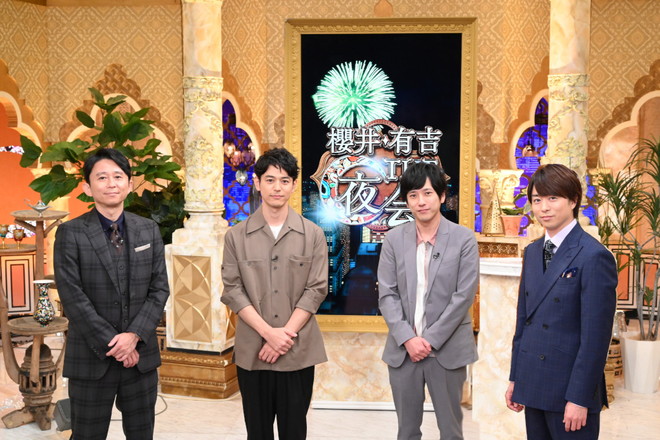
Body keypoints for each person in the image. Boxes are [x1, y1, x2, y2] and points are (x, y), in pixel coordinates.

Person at [54, 148, 170, 439]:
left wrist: (133, 337)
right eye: (102, 177)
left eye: (118, 177)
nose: (111, 184)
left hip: (140, 357)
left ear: (129, 184)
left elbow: (159, 289)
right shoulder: (70, 233)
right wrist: (116, 344)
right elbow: (72, 296)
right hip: (91, 358)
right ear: (87, 187)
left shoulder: (148, 230)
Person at [221, 147, 328, 440]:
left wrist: (283, 337)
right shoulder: (235, 236)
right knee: (257, 432)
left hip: (298, 351)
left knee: (294, 432)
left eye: (284, 180)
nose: (277, 187)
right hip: (253, 351)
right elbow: (233, 290)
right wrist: (269, 334)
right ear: (257, 183)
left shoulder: (313, 235)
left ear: (293, 185)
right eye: (269, 180)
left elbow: (316, 289)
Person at [506, 164, 617, 439]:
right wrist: (516, 378)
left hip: (570, 392)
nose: (544, 207)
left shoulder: (594, 255)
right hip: (533, 384)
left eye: (553, 198)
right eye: (537, 200)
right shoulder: (532, 252)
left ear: (573, 200)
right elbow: (523, 322)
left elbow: (596, 338)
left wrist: (579, 398)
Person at [378, 161, 479, 440]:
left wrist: (430, 340)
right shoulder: (393, 239)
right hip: (404, 352)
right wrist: (409, 339)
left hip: (448, 351)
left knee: (451, 431)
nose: (421, 201)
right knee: (407, 431)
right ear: (406, 200)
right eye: (413, 195)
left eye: (427, 193)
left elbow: (463, 296)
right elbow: (387, 294)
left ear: (442, 196)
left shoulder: (463, 239)